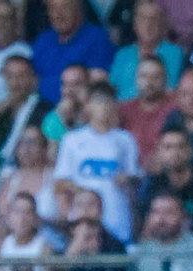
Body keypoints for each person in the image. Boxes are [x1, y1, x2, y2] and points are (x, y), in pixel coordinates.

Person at [54, 85, 141, 244]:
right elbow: (60, 183)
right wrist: (84, 193)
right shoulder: (72, 140)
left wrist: (127, 180)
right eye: (99, 101)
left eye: (108, 102)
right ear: (88, 106)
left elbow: (134, 178)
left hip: (117, 216)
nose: (104, 107)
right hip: (83, 217)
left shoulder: (125, 139)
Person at [31, 0, 114, 103]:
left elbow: (95, 84)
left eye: (65, 8)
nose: (58, 15)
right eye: (53, 8)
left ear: (78, 9)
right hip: (42, 111)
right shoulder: (43, 40)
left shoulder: (97, 38)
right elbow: (29, 82)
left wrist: (41, 84)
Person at [111, 0, 184, 103]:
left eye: (153, 19)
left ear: (163, 25)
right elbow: (112, 91)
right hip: (123, 113)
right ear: (134, 24)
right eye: (142, 19)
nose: (148, 25)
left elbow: (174, 92)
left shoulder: (176, 54)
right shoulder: (122, 55)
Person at [0, 55, 52, 165]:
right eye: (10, 76)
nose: (15, 83)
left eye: (20, 76)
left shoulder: (45, 111)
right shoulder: (3, 110)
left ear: (33, 80)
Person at [120, 55, 178, 163]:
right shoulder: (123, 110)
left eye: (155, 77)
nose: (149, 82)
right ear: (136, 79)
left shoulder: (175, 107)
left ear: (165, 79)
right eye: (144, 76)